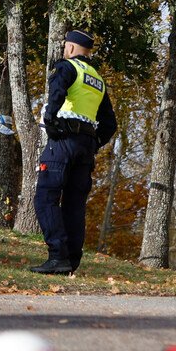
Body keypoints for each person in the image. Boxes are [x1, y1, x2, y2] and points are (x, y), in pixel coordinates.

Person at [30, 29, 116, 275]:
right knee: (74, 204)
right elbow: (110, 124)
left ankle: (57, 255)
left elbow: (55, 96)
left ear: (69, 48)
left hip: (63, 142)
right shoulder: (97, 79)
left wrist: (50, 122)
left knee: (45, 197)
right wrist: (93, 143)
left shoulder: (67, 68)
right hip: (85, 147)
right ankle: (72, 260)